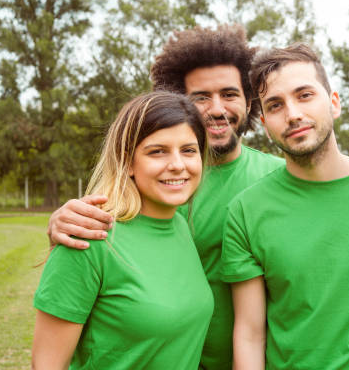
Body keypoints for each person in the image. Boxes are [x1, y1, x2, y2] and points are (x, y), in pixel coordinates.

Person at [45, 25, 349, 369]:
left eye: (230, 94)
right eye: (200, 97)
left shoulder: (276, 176)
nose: (217, 109)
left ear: (250, 107)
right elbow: (103, 231)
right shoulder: (157, 185)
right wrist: (61, 220)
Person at [221, 43, 349, 369]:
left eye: (305, 95)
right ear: (266, 124)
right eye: (275, 105)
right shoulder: (245, 211)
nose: (293, 114)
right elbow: (250, 334)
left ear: (334, 103)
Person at [32, 91, 214, 369]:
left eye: (189, 150)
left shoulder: (180, 224)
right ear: (128, 161)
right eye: (157, 151)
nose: (178, 165)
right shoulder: (89, 237)